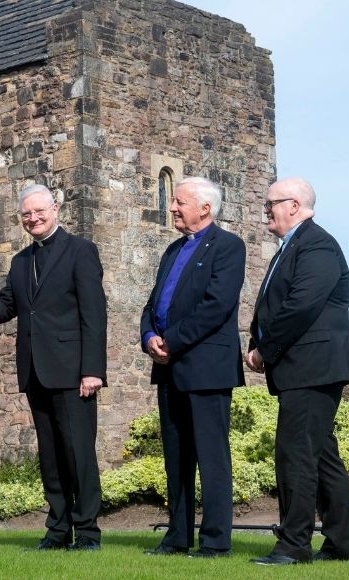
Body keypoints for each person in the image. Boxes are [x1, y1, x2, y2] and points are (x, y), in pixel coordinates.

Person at [0, 184, 106, 551]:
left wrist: (92, 370)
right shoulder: (20, 261)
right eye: (26, 214)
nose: (33, 219)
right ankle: (58, 529)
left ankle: (88, 532)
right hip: (35, 371)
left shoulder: (81, 251)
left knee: (78, 454)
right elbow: (4, 307)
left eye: (39, 212)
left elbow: (94, 315)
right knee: (50, 457)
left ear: (56, 209)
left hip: (74, 372)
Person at [245, 177, 349, 565]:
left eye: (271, 203)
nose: (266, 210)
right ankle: (342, 545)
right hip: (302, 367)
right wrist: (255, 343)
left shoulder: (317, 244)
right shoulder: (293, 246)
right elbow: (274, 305)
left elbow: (300, 306)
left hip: (313, 367)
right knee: (322, 456)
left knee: (295, 455)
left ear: (294, 205)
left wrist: (265, 350)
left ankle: (294, 545)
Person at [139, 177, 245, 558]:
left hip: (206, 368)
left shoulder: (228, 247)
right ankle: (177, 536)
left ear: (205, 208)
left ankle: (215, 541)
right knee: (176, 456)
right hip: (168, 368)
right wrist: (149, 335)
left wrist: (173, 340)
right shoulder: (172, 250)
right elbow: (153, 304)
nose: (172, 207)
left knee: (211, 457)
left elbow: (216, 307)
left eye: (179, 201)